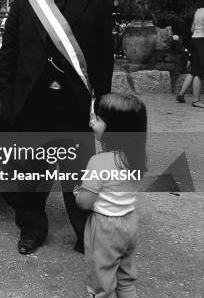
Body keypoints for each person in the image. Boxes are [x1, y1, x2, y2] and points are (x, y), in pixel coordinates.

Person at [0, 0, 115, 255]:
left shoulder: (96, 2)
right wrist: (9, 108)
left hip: (75, 106)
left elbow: (103, 57)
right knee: (30, 176)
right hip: (32, 106)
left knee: (79, 176)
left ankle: (85, 232)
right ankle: (32, 230)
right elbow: (9, 59)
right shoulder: (25, 4)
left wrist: (101, 104)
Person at [75, 93, 148, 298]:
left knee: (101, 284)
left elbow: (84, 203)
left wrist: (78, 191)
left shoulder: (99, 162)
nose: (91, 122)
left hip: (106, 228)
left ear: (115, 128)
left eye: (97, 118)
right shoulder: (136, 157)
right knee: (125, 279)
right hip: (130, 222)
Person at [187, 7, 204, 107]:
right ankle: (196, 100)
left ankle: (182, 95)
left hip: (194, 40)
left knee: (195, 69)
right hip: (201, 41)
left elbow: (192, 29)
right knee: (198, 71)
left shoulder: (198, 11)